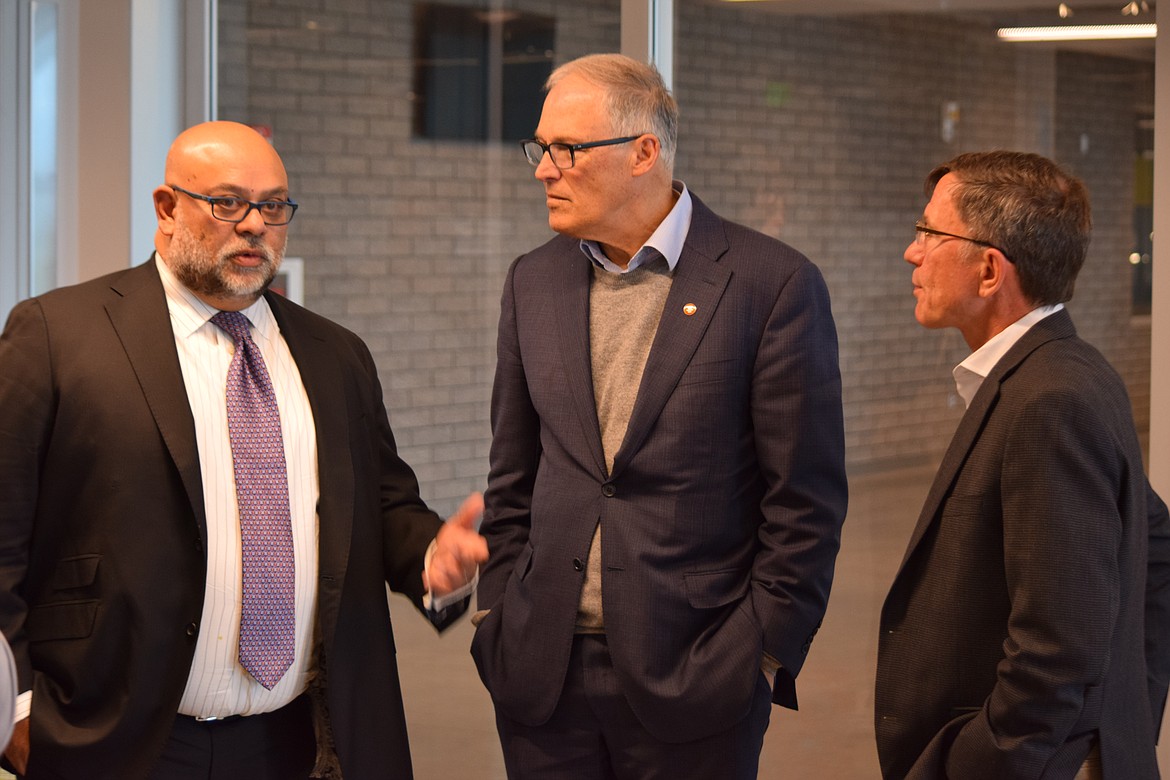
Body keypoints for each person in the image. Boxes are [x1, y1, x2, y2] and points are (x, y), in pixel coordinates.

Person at [0, 120, 488, 779]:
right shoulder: (59, 334)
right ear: (167, 208)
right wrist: (19, 708)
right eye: (228, 202)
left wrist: (434, 558)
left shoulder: (336, 354)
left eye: (274, 205)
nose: (255, 224)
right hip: (114, 735)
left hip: (295, 740)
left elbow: (382, 503)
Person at [470, 53, 848, 778]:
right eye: (540, 148)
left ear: (645, 152)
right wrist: (497, 616)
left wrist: (760, 652)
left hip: (699, 676)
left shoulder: (770, 283)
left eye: (567, 150)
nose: (544, 169)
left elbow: (805, 501)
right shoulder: (533, 279)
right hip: (542, 675)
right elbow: (512, 473)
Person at [875, 150, 1170, 779]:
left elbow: (1056, 649)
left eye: (930, 232)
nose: (912, 251)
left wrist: (983, 761)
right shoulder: (1062, 370)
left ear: (989, 270)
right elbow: (1157, 544)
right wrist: (1127, 715)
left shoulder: (1052, 398)